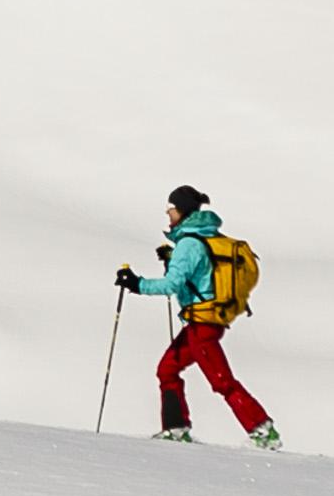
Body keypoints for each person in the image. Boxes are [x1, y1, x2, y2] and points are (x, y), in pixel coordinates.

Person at [113, 184, 276, 445]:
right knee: (167, 369)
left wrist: (137, 284)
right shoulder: (203, 236)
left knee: (222, 381)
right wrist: (171, 257)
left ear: (182, 211)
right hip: (203, 321)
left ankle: (262, 429)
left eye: (172, 208)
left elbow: (172, 284)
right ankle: (176, 428)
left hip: (203, 324)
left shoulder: (189, 243)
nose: (168, 213)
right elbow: (198, 273)